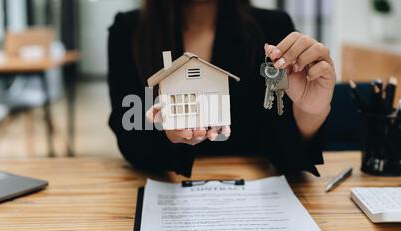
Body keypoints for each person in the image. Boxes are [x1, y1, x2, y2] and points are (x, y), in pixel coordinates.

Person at [108, 0, 336, 177]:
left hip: (255, 196)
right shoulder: (128, 30)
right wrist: (167, 134)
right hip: (162, 189)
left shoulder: (272, 27)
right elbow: (129, 134)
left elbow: (281, 144)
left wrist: (310, 111)